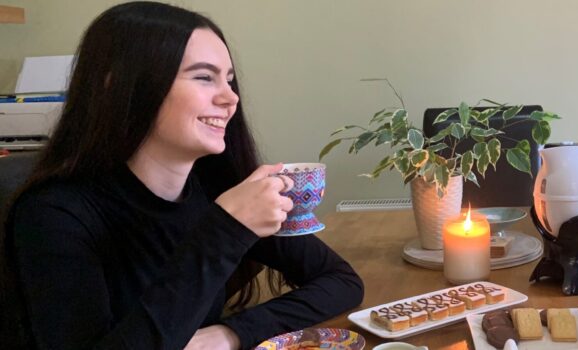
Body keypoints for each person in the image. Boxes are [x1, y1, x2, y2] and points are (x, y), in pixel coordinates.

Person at [0, 2, 364, 349]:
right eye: (204, 77)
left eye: (229, 80)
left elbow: (341, 281)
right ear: (121, 86)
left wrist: (229, 334)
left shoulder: (216, 185)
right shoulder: (54, 215)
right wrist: (224, 231)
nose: (230, 98)